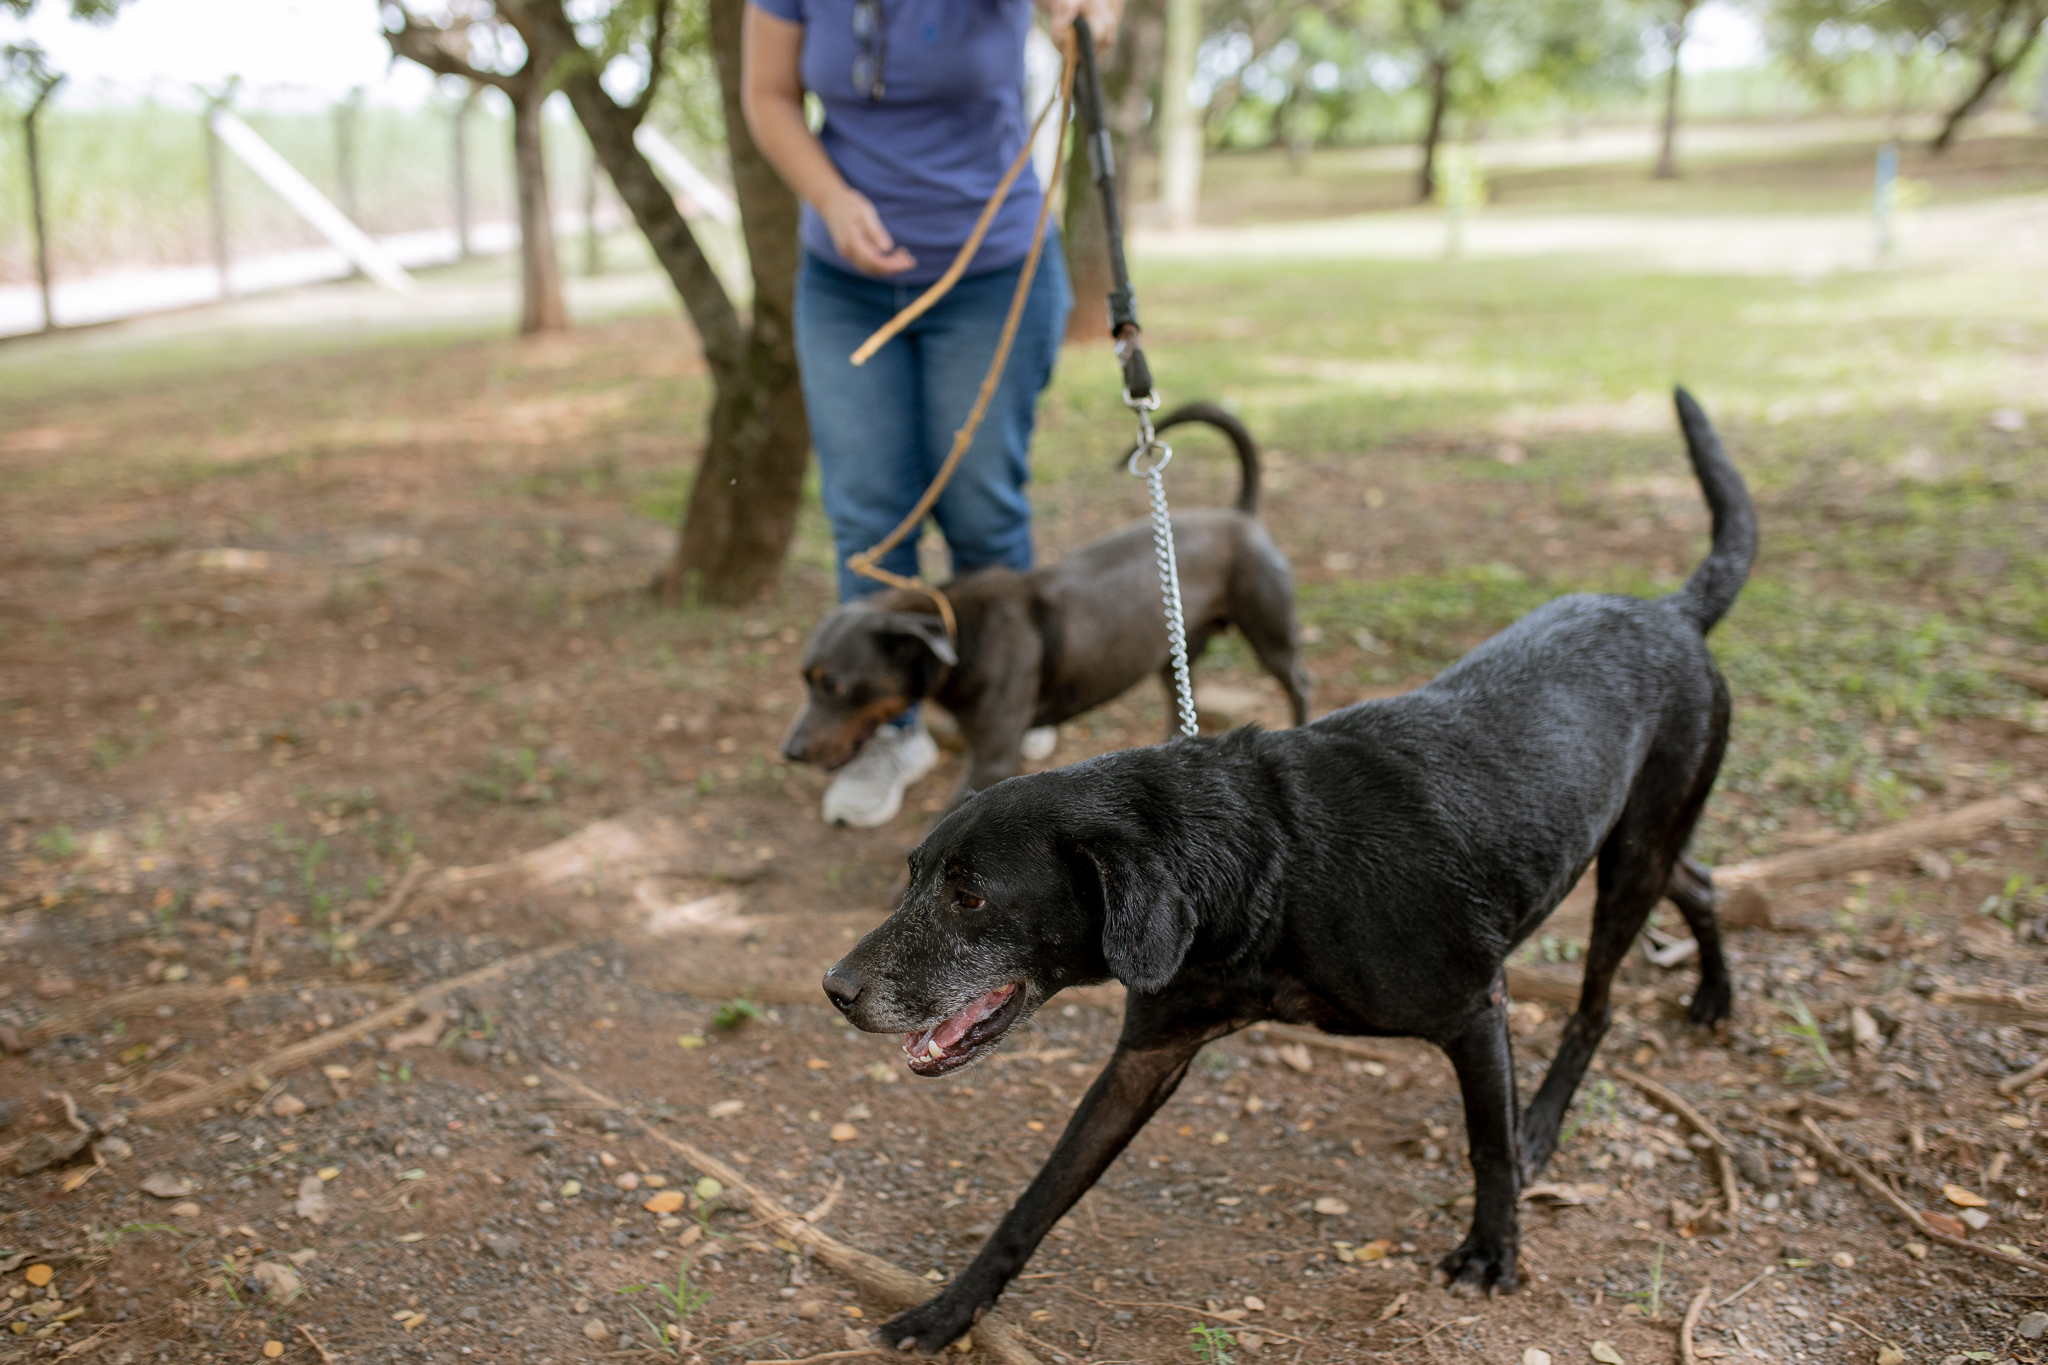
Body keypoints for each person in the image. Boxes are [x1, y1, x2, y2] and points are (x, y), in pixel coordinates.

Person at [743, 0, 1122, 827]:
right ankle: (891, 729)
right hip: (844, 279)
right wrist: (832, 199)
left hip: (990, 271)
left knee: (981, 505)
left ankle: (1009, 713)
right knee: (868, 520)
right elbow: (767, 94)